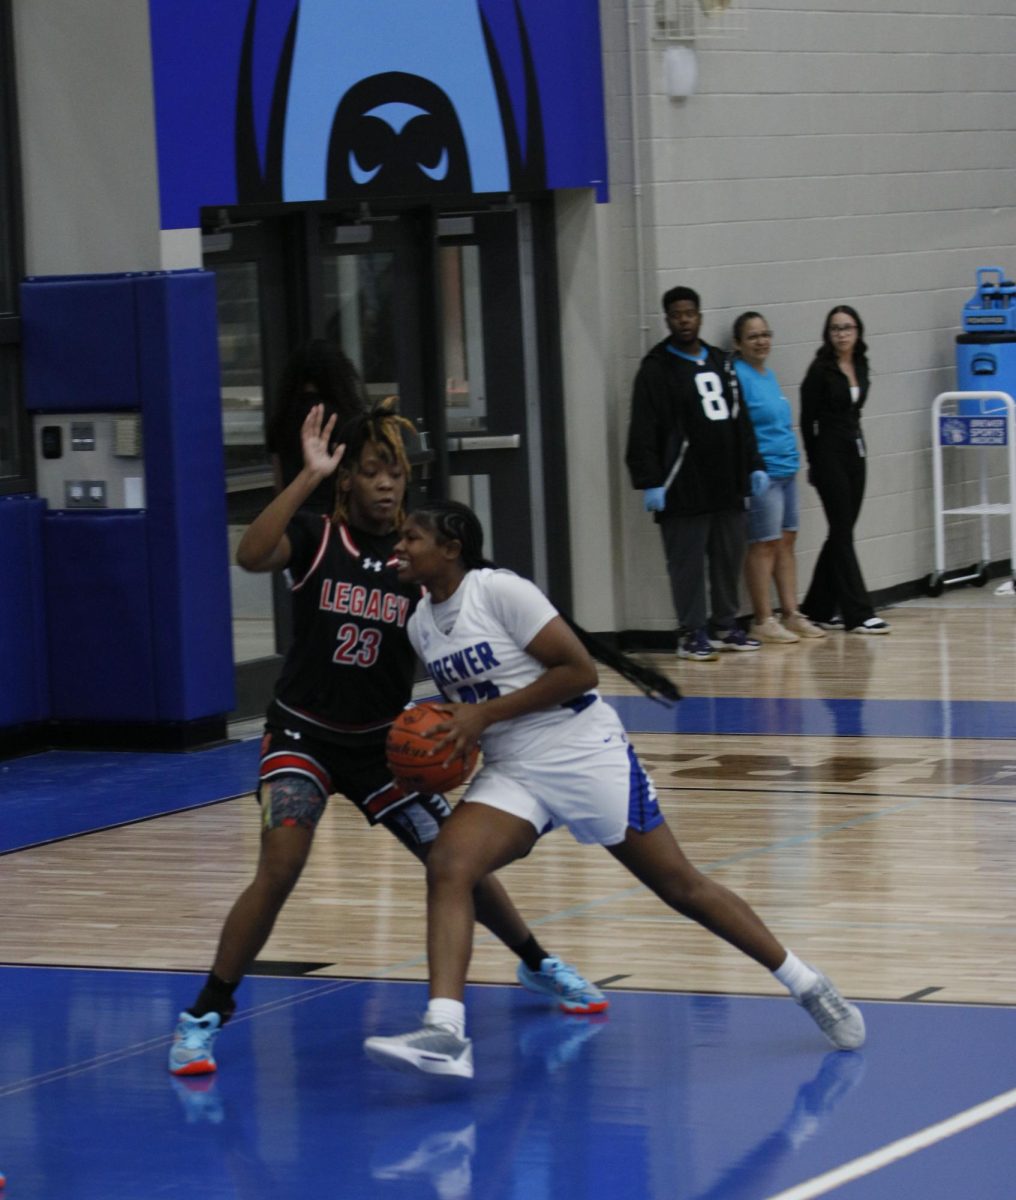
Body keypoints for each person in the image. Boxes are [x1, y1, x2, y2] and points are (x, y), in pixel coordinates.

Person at [168, 406, 605, 1077]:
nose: (385, 485)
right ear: (345, 483)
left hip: (385, 746)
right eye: (371, 473)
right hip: (302, 737)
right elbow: (251, 553)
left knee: (454, 862)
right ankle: (205, 1013)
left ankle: (537, 962)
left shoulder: (415, 559)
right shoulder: (317, 538)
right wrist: (305, 478)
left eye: (395, 473)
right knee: (280, 865)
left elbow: (477, 623)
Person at [362, 500, 865, 1079]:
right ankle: (445, 1031)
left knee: (680, 885)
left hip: (582, 750)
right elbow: (473, 706)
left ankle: (807, 984)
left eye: (412, 538)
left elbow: (579, 672)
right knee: (450, 863)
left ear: (450, 549)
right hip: (512, 766)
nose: (399, 547)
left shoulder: (498, 591)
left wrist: (483, 716)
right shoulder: (420, 623)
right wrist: (448, 741)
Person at [626, 287, 769, 662]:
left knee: (728, 557)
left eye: (690, 313)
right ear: (667, 319)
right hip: (682, 485)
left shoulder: (722, 363)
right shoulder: (656, 369)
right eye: (677, 314)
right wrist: (650, 480)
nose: (684, 320)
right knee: (687, 563)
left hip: (726, 483)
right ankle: (691, 632)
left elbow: (742, 421)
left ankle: (725, 625)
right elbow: (643, 428)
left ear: (700, 316)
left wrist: (753, 464)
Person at [731, 312, 826, 644]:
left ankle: (791, 612)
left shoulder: (767, 375)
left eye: (765, 334)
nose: (761, 341)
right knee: (763, 543)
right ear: (738, 344)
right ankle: (762, 618)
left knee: (787, 541)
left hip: (786, 469)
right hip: (763, 472)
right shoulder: (738, 376)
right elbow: (740, 428)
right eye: (753, 336)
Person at [798, 306, 890, 634]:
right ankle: (859, 612)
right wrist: (813, 461)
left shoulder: (861, 364)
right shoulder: (819, 370)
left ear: (858, 331)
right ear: (828, 333)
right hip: (828, 454)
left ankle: (817, 608)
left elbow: (856, 408)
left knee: (842, 531)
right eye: (835, 328)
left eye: (847, 327)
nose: (841, 334)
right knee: (841, 531)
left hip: (856, 449)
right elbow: (807, 421)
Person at [265, 339, 367, 513]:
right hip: (335, 518)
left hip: (295, 518)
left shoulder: (282, 419)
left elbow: (280, 485)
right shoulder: (345, 418)